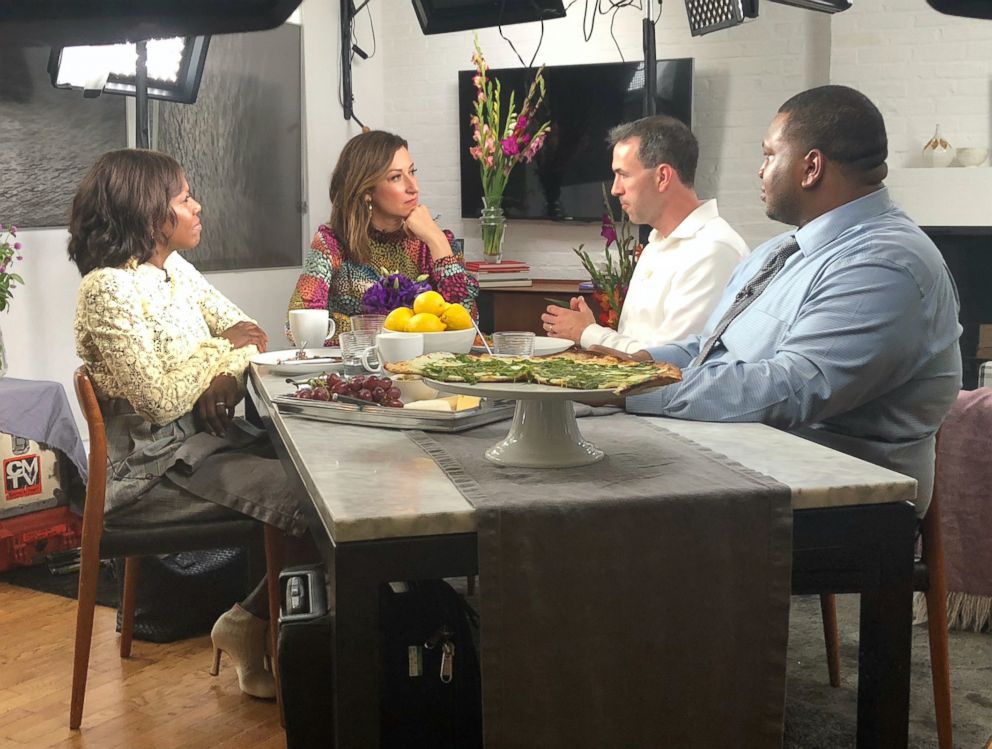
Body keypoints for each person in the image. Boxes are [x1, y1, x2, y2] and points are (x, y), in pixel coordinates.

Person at [619, 86, 962, 514]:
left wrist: (627, 390)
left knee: (604, 512)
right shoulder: (783, 250)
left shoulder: (886, 263)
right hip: (750, 462)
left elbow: (790, 390)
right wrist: (628, 365)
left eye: (768, 155)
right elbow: (709, 346)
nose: (760, 171)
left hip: (838, 499)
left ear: (810, 167)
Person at [70, 149, 307, 699]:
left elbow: (247, 330)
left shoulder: (173, 269)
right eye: (183, 198)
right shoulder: (107, 290)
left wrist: (224, 371)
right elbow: (159, 399)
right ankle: (261, 630)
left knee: (322, 472)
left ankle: (248, 623)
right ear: (150, 213)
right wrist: (218, 353)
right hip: (153, 474)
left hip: (203, 446)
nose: (197, 206)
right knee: (313, 500)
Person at [541, 115, 748, 353]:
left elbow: (672, 360)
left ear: (662, 177)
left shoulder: (713, 250)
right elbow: (639, 344)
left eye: (624, 175)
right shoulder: (656, 243)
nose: (615, 189)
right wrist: (589, 332)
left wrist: (588, 333)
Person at [288, 130, 479, 340]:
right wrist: (390, 329)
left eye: (412, 172)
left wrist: (437, 240)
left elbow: (468, 324)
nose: (413, 187)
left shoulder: (434, 244)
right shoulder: (332, 244)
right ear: (367, 190)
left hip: (427, 368)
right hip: (357, 370)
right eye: (396, 177)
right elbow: (298, 326)